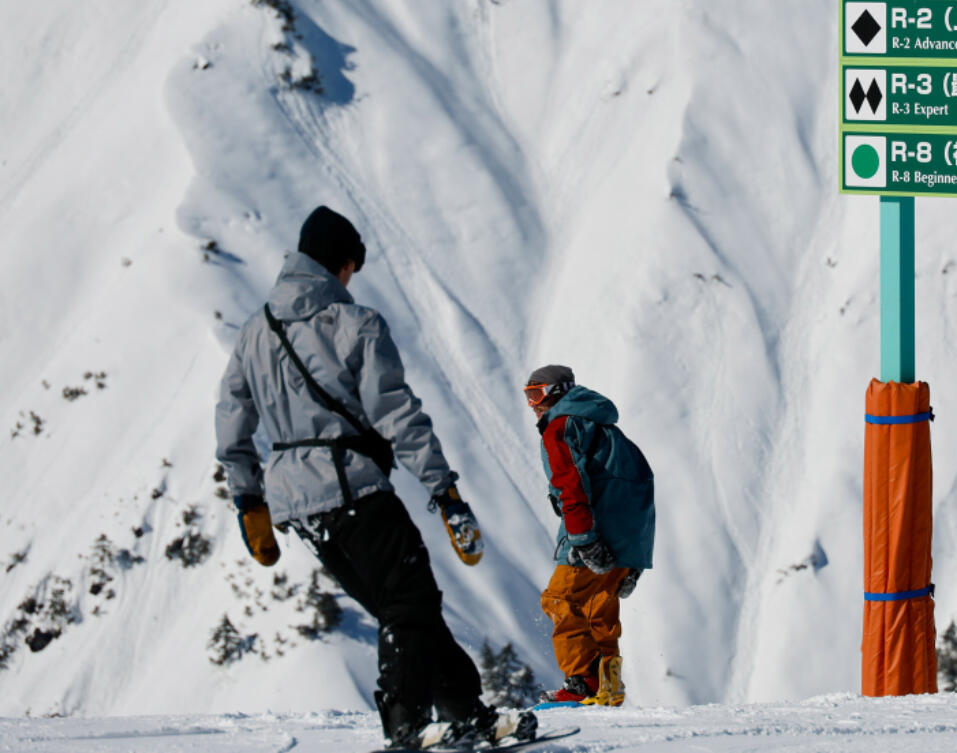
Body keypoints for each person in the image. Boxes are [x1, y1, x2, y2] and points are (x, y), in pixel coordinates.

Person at [215, 206, 535, 749]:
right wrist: (445, 492)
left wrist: (250, 500)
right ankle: (404, 721)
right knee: (410, 598)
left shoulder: (253, 335)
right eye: (350, 269)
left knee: (405, 607)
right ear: (340, 264)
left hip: (297, 505)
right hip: (351, 487)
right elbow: (397, 414)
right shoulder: (355, 324)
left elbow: (231, 423)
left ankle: (464, 712)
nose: (350, 281)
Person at [523, 365, 655, 706]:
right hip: (623, 542)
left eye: (536, 395)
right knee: (599, 609)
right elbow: (640, 490)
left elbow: (570, 484)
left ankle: (582, 682)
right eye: (528, 397)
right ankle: (608, 686)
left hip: (592, 536)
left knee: (560, 599)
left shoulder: (561, 427)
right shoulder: (609, 431)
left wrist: (583, 539)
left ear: (557, 391)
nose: (532, 405)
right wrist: (633, 559)